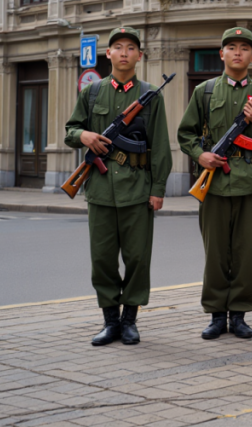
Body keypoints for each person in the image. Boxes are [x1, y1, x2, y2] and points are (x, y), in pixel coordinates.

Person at [65, 26, 172, 346]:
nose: (124, 52)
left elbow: (160, 146)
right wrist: (84, 135)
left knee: (137, 259)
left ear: (140, 55)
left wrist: (158, 189)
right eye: (118, 47)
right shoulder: (92, 93)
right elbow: (71, 130)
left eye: (131, 48)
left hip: (137, 190)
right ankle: (110, 321)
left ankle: (129, 321)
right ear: (108, 53)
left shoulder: (150, 94)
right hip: (100, 189)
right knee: (102, 259)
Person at [178, 27, 252, 340]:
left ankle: (239, 315)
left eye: (244, 48)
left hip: (249, 184)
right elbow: (186, 134)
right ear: (221, 54)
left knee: (244, 254)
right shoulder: (205, 91)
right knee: (215, 254)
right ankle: (215, 315)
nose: (238, 52)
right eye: (232, 47)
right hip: (214, 185)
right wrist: (201, 155)